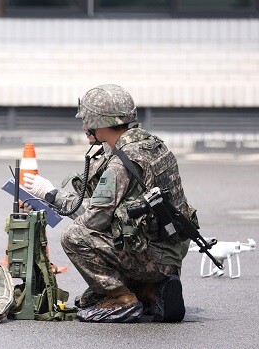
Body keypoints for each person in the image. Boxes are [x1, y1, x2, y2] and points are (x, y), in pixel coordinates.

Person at [23, 84, 196, 323]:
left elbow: (94, 219)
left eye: (87, 120)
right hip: (170, 251)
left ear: (100, 121)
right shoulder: (154, 146)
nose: (84, 127)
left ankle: (122, 300)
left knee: (74, 236)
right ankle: (150, 290)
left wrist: (50, 194)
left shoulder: (121, 163)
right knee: (88, 301)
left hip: (151, 256)